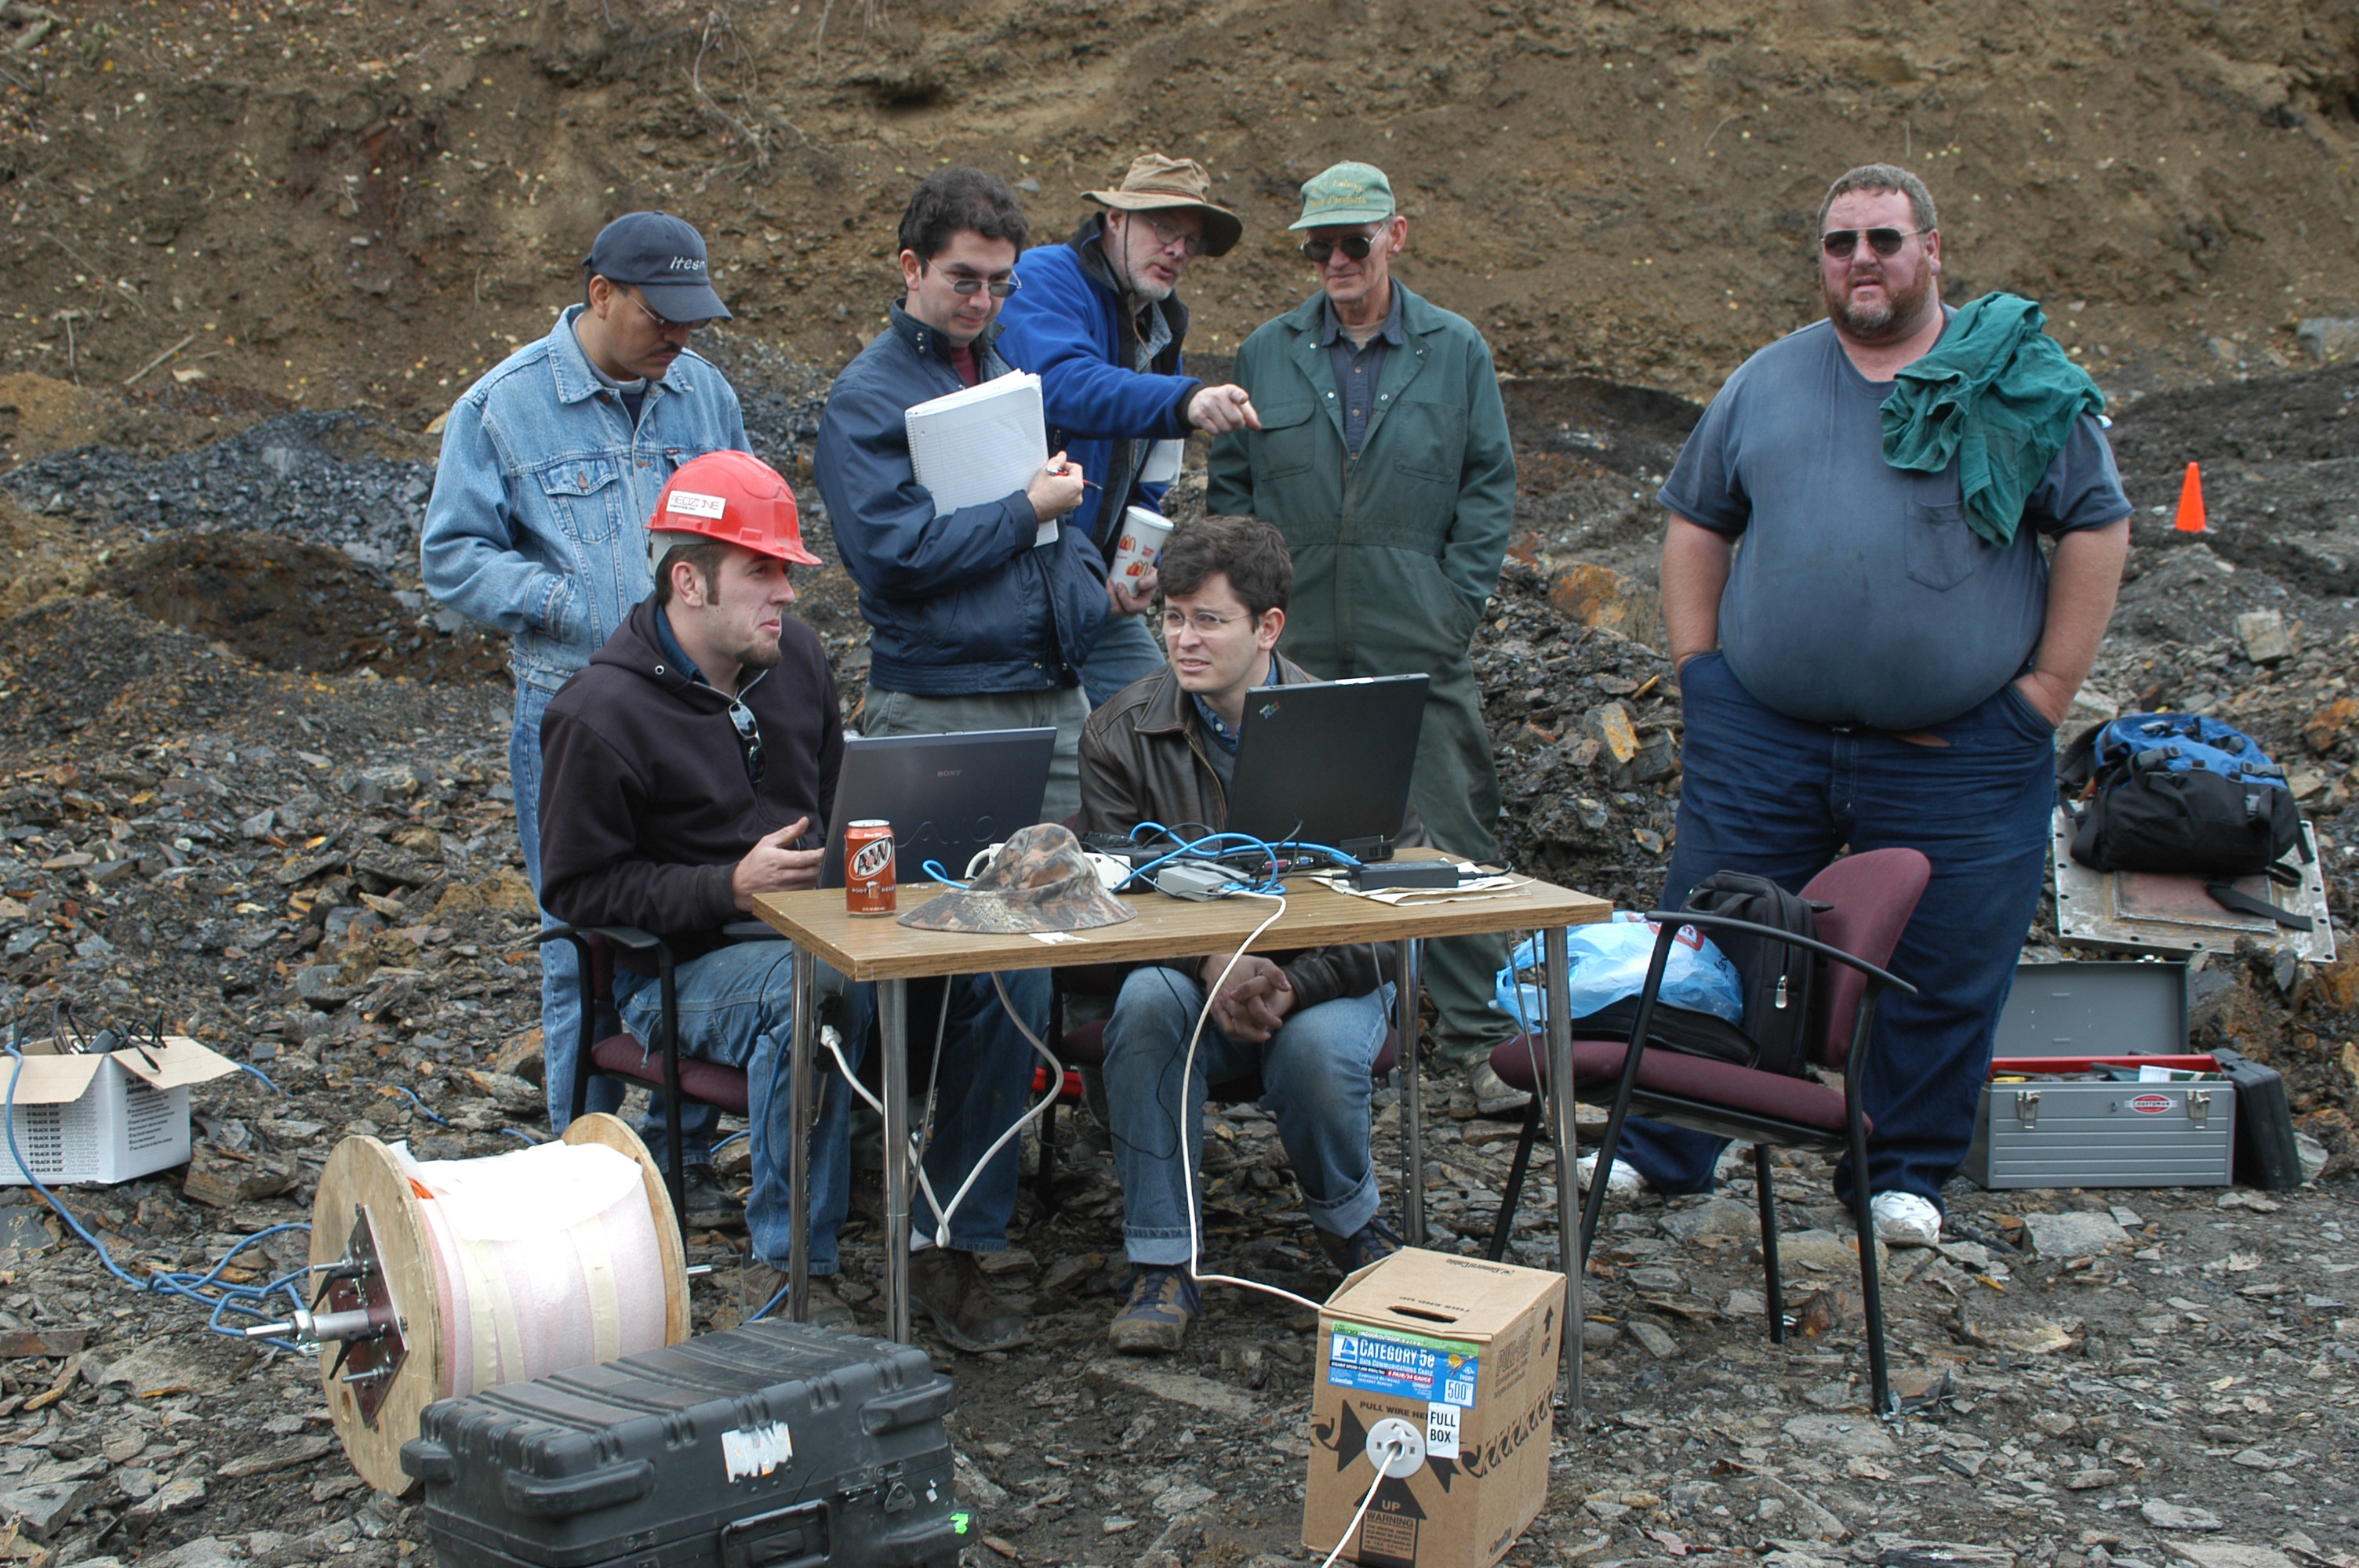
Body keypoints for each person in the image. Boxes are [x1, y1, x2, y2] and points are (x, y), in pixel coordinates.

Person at [1621, 163, 2132, 1245]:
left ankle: (1901, 1172)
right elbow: (1697, 520)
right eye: (1840, 241)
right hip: (1765, 735)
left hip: (1962, 748)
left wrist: (2043, 694)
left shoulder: (2014, 381)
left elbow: (2095, 523)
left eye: (1885, 239)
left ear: (1931, 251)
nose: (1862, 259)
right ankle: (1663, 1146)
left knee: (1944, 963)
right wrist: (1699, 668)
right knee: (1711, 939)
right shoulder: (1765, 381)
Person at [535, 451, 1041, 1350]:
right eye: (761, 571)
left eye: (787, 570)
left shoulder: (795, 657)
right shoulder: (597, 712)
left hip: (832, 931)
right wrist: (723, 885)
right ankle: (793, 1271)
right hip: (686, 970)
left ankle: (947, 1237)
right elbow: (575, 889)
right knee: (812, 985)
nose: (786, 593)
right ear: (688, 581)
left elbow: (846, 803)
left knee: (1008, 967)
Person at [420, 212, 747, 1218]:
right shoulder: (503, 407)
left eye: (693, 318)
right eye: (660, 314)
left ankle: (681, 1157)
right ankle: (582, 1179)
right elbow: (452, 557)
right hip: (572, 711)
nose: (678, 336)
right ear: (600, 293)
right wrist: (574, 604)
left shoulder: (704, 394)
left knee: (704, 916)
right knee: (582, 940)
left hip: (700, 708)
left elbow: (749, 523)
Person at [1205, 161, 1520, 1109]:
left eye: (1354, 242)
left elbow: (1487, 483)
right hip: (1291, 634)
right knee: (1279, 832)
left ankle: (1479, 1042)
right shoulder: (1265, 352)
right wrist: (1246, 616)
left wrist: (1452, 604)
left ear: (1396, 235)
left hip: (1414, 630)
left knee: (1449, 829)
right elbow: (1231, 492)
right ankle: (1287, 1021)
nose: (1336, 261)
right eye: (1318, 247)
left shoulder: (1455, 350)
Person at [1078, 515, 1405, 1355]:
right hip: (1190, 976)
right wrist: (1210, 961)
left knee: (1313, 1050)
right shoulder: (1118, 732)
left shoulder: (1350, 724)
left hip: (1324, 977)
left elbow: (1397, 903)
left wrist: (1295, 982)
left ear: (1268, 627)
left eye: (1209, 620)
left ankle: (1351, 1227)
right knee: (1147, 1004)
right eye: (1172, 617)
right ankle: (1162, 1260)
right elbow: (1111, 894)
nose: (1183, 640)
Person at [814, 165, 1103, 822]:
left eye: (1001, 283)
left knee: (1077, 885)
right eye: (964, 279)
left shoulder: (999, 367)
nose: (982, 301)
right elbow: (891, 555)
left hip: (1052, 692)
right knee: (940, 887)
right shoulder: (865, 398)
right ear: (912, 268)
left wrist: (1084, 583)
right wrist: (1028, 511)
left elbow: (1039, 522)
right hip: (943, 705)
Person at [996, 153, 1263, 708]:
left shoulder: (1160, 323)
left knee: (1167, 721)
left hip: (1092, 588)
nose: (1177, 250)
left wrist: (1134, 565)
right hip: (1016, 583)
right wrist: (1185, 399)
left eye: (1190, 241)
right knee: (1059, 745)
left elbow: (1149, 468)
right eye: (1163, 228)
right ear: (1114, 219)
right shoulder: (1043, 277)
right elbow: (1066, 384)